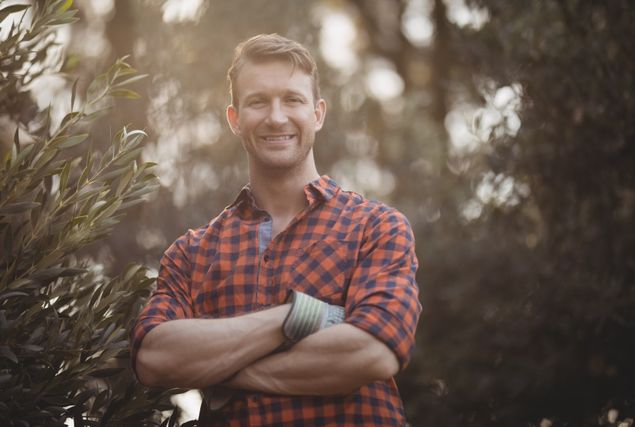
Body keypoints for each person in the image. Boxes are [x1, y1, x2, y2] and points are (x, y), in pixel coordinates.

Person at [131, 33, 422, 426]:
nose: (276, 117)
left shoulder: (376, 227)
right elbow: (154, 358)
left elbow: (372, 351)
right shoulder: (192, 253)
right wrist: (297, 316)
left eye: (292, 99)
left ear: (318, 114)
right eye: (257, 101)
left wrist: (223, 372)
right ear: (234, 119)